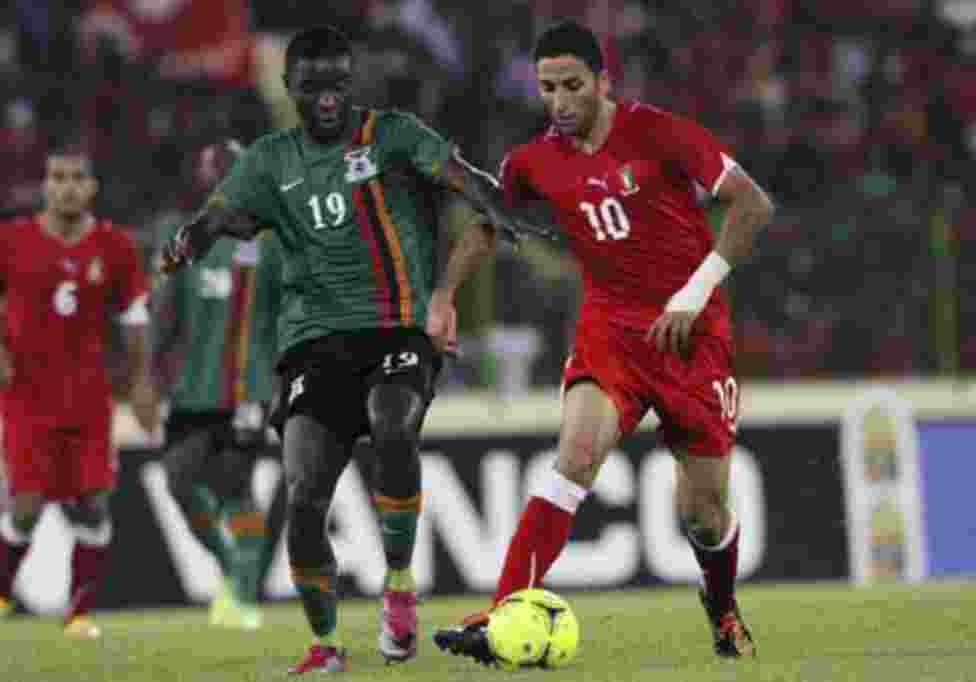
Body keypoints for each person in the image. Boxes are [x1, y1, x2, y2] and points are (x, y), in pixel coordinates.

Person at [157, 25, 556, 674]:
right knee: (306, 498)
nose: (327, 99)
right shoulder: (268, 161)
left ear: (352, 83)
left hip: (396, 329)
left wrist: (501, 209)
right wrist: (189, 240)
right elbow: (218, 217)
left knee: (393, 424)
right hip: (313, 344)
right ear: (290, 89)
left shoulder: (392, 134)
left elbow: (462, 175)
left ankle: (398, 582)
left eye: (337, 85)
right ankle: (326, 645)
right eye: (312, 87)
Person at [432, 21, 775, 661]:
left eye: (572, 86)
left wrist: (694, 293)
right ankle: (503, 615)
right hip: (610, 333)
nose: (559, 102)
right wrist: (444, 297)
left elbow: (752, 204)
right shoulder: (533, 162)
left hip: (692, 337)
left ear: (603, 82)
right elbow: (488, 225)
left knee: (703, 511)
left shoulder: (659, 132)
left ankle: (723, 609)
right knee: (575, 458)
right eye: (546, 88)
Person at [0, 148, 158, 638]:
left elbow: (133, 318)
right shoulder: (11, 240)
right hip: (26, 394)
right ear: (44, 184)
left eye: (76, 178)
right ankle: (2, 592)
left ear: (92, 187)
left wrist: (141, 382)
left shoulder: (115, 246)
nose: (66, 186)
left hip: (89, 397)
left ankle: (80, 613)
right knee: (26, 505)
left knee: (92, 503)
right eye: (57, 177)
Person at [151, 140, 282, 630]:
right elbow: (163, 312)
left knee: (235, 487)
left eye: (232, 170)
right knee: (179, 482)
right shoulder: (182, 239)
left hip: (247, 389)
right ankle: (232, 568)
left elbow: (291, 312)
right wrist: (148, 376)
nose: (222, 179)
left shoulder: (272, 241)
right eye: (215, 171)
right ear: (201, 179)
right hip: (192, 391)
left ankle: (244, 596)